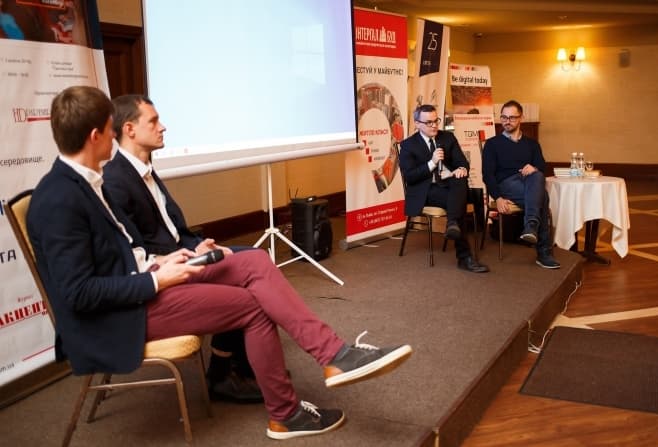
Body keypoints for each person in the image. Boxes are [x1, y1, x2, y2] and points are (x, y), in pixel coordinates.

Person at [27, 86, 413, 439]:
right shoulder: (59, 199)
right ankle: (286, 413)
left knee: (255, 262)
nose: (115, 137)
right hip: (118, 316)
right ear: (96, 136)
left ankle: (335, 355)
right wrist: (157, 279)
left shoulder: (85, 182)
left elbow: (121, 251)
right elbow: (79, 294)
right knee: (254, 307)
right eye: (111, 131)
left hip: (142, 282)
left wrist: (163, 260)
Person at [103, 94, 260, 403]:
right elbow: (136, 252)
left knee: (255, 258)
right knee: (246, 282)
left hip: (183, 254)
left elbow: (174, 231)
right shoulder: (115, 181)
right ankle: (222, 372)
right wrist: (186, 256)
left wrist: (197, 245)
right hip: (163, 271)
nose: (163, 127)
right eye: (154, 121)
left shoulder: (144, 169)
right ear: (129, 129)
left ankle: (241, 365)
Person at [399, 104, 489, 273]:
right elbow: (410, 176)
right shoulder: (408, 145)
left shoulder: (447, 138)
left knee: (459, 180)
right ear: (417, 124)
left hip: (449, 186)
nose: (434, 126)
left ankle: (452, 223)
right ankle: (464, 257)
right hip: (426, 191)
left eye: (436, 121)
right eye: (429, 122)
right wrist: (432, 162)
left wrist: (461, 169)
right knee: (458, 200)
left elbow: (462, 162)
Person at [481, 100, 560, 269]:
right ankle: (542, 250)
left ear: (521, 118)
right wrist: (498, 197)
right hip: (506, 184)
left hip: (528, 183)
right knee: (543, 197)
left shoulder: (532, 144)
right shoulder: (492, 144)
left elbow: (542, 167)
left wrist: (534, 167)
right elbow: (487, 175)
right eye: (504, 117)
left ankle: (531, 227)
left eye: (512, 117)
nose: (507, 121)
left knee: (537, 177)